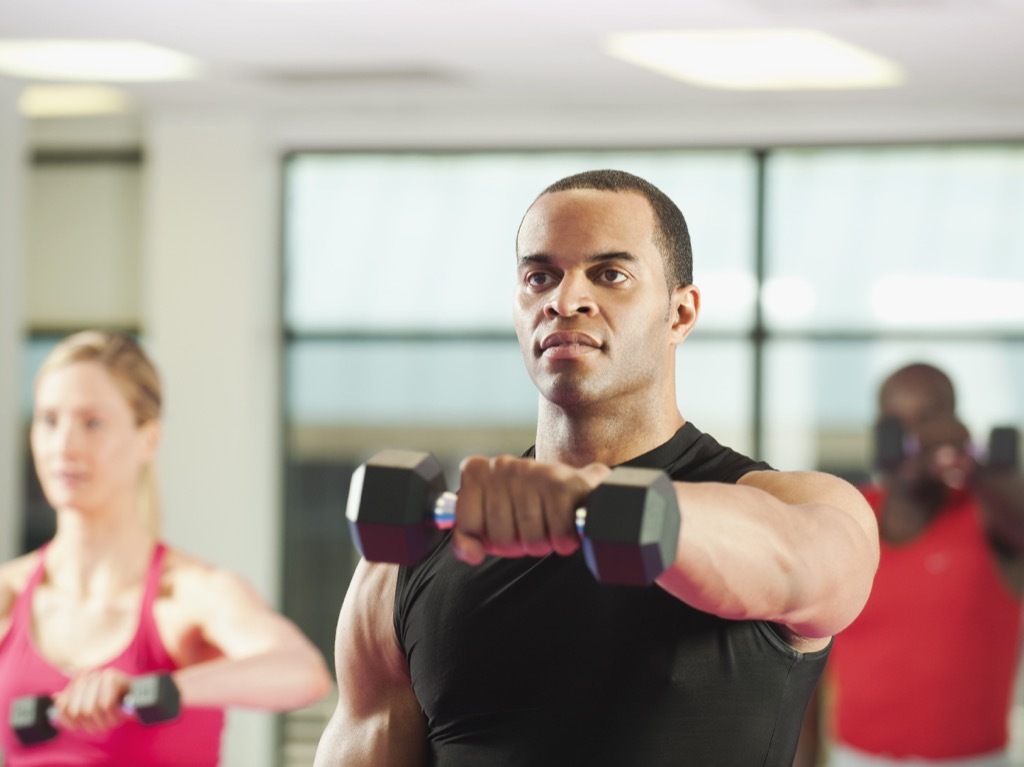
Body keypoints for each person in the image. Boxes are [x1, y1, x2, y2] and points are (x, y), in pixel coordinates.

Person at [313, 169, 880, 766]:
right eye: (540, 277)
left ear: (680, 314)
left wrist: (594, 502)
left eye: (610, 275)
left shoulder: (795, 505)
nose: (565, 300)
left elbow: (803, 560)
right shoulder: (406, 564)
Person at [0, 330, 332, 767]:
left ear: (148, 439)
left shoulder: (189, 594)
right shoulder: (9, 592)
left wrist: (159, 689)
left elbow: (303, 673)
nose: (63, 445)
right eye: (48, 420)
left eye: (92, 423)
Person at [795, 362, 1024, 767]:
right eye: (897, 422)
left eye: (929, 419)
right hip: (859, 757)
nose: (914, 435)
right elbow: (807, 655)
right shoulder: (848, 513)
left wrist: (972, 462)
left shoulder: (990, 515)